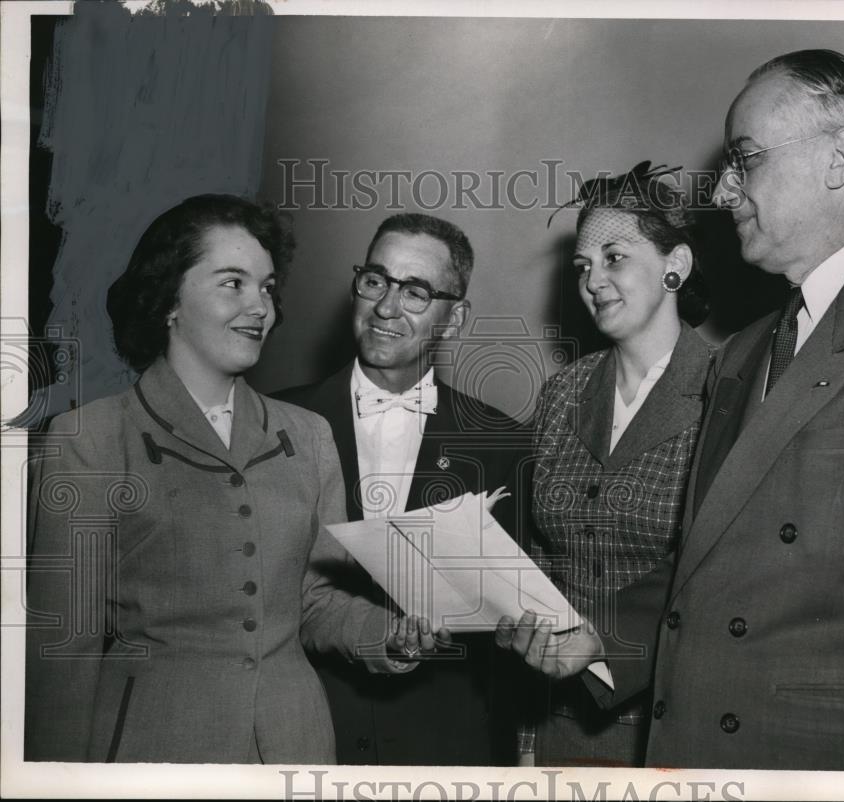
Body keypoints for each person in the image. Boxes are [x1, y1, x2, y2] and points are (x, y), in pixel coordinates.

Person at [497, 49, 844, 772]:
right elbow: (707, 561)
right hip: (689, 747)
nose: (722, 189)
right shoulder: (746, 352)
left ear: (837, 159)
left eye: (745, 160)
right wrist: (604, 634)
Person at [24, 194, 442, 764]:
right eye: (233, 283)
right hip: (156, 752)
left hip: (295, 744)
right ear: (170, 297)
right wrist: (57, 781)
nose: (260, 307)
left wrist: (388, 634)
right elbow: (63, 652)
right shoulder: (89, 438)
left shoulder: (308, 434)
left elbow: (313, 600)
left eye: (267, 288)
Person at [275, 212, 527, 766]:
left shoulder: (506, 445)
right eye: (375, 281)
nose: (386, 308)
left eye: (415, 292)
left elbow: (521, 620)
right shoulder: (275, 423)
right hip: (305, 737)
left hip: (446, 751)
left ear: (454, 318)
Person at [516, 163, 712, 767]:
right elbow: (534, 552)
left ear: (674, 264)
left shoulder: (728, 393)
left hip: (669, 723)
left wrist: (603, 639)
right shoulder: (561, 392)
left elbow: (714, 574)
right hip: (552, 715)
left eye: (615, 258)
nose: (593, 280)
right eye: (582, 266)